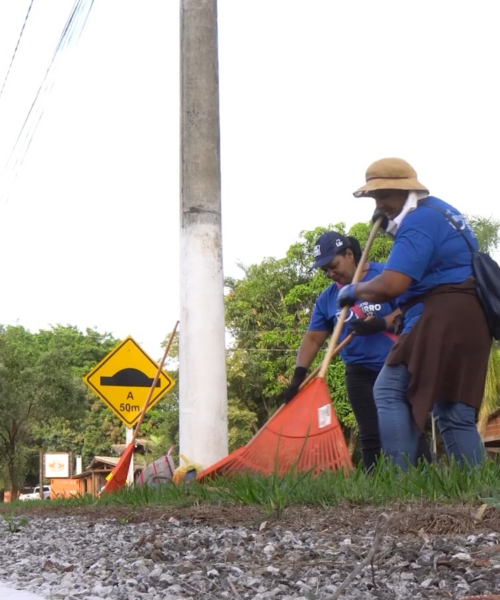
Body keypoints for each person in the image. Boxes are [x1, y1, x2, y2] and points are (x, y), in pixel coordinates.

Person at [337, 157, 491, 469]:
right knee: (453, 410)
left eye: (385, 196)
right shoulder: (442, 211)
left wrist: (352, 291)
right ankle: (475, 490)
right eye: (375, 198)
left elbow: (392, 284)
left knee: (390, 390)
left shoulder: (419, 221)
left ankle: (401, 482)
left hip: (444, 311)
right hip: (471, 315)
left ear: (406, 190)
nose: (380, 205)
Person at [283, 230, 432, 471]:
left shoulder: (384, 277)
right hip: (359, 372)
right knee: (370, 434)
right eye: (325, 271)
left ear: (350, 255)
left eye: (334, 265)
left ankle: (427, 478)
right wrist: (298, 377)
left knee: (409, 427)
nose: (331, 273)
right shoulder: (328, 298)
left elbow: (411, 309)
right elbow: (312, 338)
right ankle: (374, 488)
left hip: (396, 365)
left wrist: (381, 323)